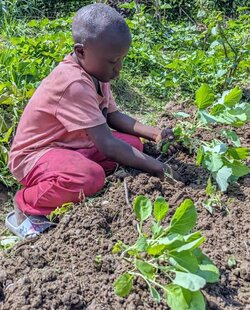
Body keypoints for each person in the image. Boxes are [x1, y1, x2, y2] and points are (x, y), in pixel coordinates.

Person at [5, 3, 177, 238]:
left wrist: (155, 133)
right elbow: (106, 144)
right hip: (36, 156)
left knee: (134, 145)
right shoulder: (73, 83)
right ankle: (25, 204)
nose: (118, 69)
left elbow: (113, 117)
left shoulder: (96, 73)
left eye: (121, 60)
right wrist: (158, 167)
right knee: (90, 176)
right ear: (81, 51)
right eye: (112, 61)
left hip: (74, 144)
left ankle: (74, 182)